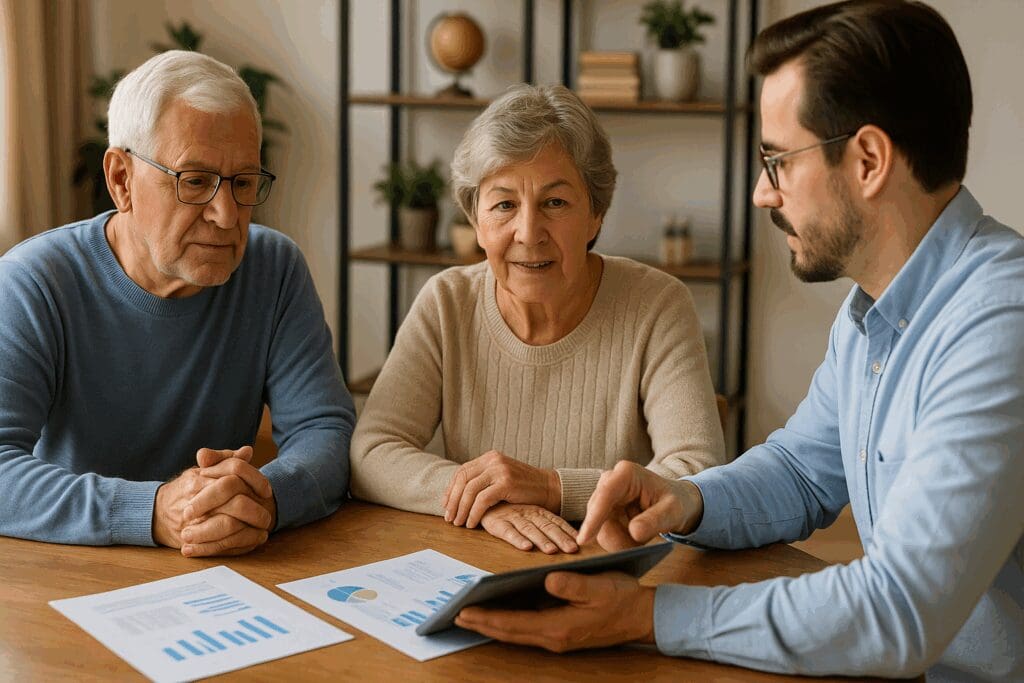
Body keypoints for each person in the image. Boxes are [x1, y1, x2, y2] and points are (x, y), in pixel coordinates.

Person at [453, 2, 1023, 680]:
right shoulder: (873, 309)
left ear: (868, 159)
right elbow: (800, 470)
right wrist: (686, 498)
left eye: (777, 160)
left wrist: (645, 615)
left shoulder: (1000, 321)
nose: (761, 192)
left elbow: (895, 609)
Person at [0, 51, 355, 557]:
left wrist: (265, 498)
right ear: (121, 179)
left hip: (221, 573)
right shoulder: (33, 282)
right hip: (69, 567)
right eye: (194, 180)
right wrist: (152, 511)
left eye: (243, 182)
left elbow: (325, 430)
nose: (227, 214)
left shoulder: (273, 269)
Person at [351, 84, 725, 553]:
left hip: (611, 571)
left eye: (555, 203)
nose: (528, 233)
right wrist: (490, 501)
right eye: (504, 205)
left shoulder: (658, 305)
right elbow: (370, 453)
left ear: (596, 215)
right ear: (476, 221)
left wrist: (551, 488)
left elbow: (697, 475)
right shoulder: (447, 301)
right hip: (476, 563)